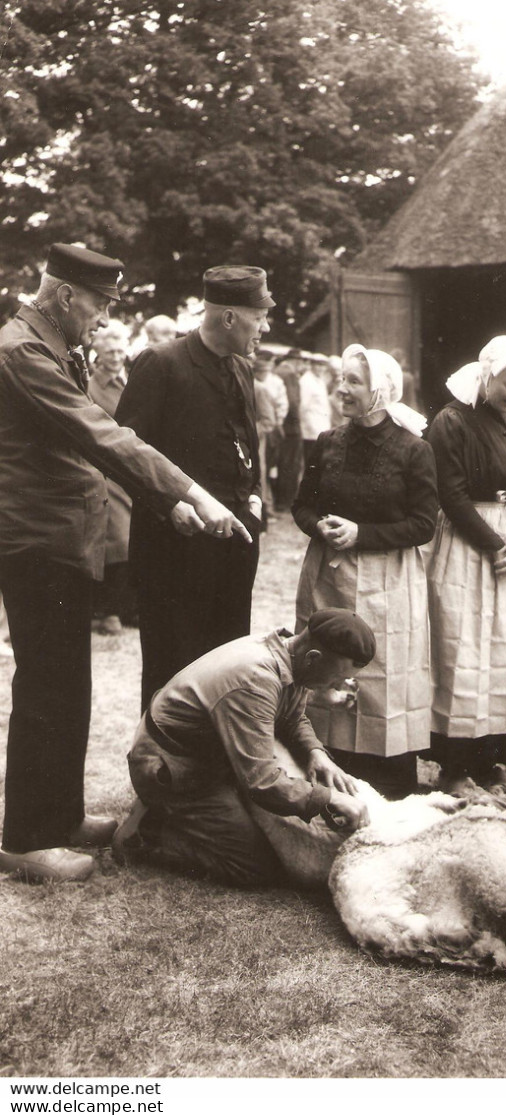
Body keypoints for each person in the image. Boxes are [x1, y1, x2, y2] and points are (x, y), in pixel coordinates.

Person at [0, 243, 250, 883]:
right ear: (63, 295)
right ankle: (26, 838)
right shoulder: (21, 350)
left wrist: (165, 504)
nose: (104, 318)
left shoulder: (48, 343)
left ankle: (60, 816)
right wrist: (188, 491)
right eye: (99, 303)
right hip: (36, 542)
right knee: (46, 689)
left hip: (64, 541)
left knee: (69, 687)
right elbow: (101, 435)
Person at [112, 609, 373, 887]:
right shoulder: (255, 680)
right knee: (256, 867)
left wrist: (315, 751)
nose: (336, 687)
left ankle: (178, 812)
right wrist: (329, 798)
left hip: (206, 754)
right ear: (313, 658)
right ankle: (150, 833)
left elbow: (292, 715)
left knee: (267, 826)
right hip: (174, 768)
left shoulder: (291, 653)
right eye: (335, 679)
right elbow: (261, 781)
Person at [116, 265, 269, 712]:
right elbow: (124, 450)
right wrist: (168, 505)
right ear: (228, 318)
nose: (264, 326)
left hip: (235, 547)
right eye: (258, 316)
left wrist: (255, 497)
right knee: (173, 666)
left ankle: (216, 769)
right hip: (174, 552)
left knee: (227, 662)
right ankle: (164, 772)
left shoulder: (241, 368)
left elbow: (248, 446)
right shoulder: (161, 363)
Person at [292, 344, 437, 798]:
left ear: (381, 391)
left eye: (354, 381)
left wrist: (362, 533)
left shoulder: (413, 450)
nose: (342, 388)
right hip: (330, 574)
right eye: (342, 379)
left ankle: (389, 782)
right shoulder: (328, 442)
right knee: (328, 666)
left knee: (384, 674)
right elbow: (301, 505)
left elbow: (424, 524)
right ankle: (328, 771)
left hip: (388, 579)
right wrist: (319, 526)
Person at [426, 335, 506, 790]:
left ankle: (491, 758)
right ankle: (455, 764)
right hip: (466, 545)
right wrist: (496, 543)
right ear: (488, 374)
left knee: (504, 651)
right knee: (463, 649)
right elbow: (450, 494)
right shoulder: (451, 421)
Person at [88, 320, 135, 633]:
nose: (116, 356)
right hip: (104, 469)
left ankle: (128, 608)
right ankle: (107, 612)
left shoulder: (131, 379)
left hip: (132, 466)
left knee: (133, 539)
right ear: (98, 353)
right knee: (116, 538)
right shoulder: (91, 386)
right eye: (110, 351)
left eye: (120, 350)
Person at [253, 351, 289, 523]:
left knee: (265, 471)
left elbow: (270, 418)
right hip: (258, 435)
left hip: (264, 435)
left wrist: (254, 431)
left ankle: (267, 510)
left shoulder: (264, 387)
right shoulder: (248, 384)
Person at [274, 350, 304, 510]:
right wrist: (297, 423)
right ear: (295, 360)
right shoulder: (290, 374)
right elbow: (293, 402)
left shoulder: (278, 371)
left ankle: (280, 500)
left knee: (280, 463)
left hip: (280, 425)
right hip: (291, 427)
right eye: (300, 361)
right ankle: (286, 502)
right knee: (290, 464)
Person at [298, 356, 333, 463]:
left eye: (323, 366)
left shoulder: (320, 380)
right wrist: (309, 426)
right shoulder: (306, 381)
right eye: (318, 365)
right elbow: (303, 406)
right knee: (311, 461)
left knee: (319, 461)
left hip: (322, 427)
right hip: (311, 429)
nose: (321, 369)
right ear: (312, 365)